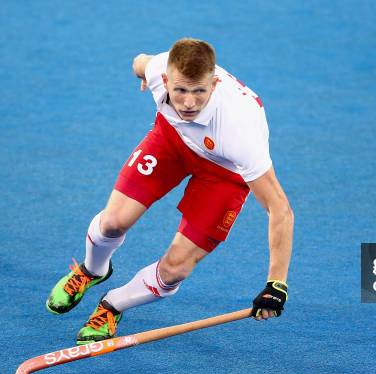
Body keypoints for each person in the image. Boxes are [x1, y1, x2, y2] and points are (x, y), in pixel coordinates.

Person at [46, 38, 294, 345]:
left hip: (224, 173)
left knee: (175, 269)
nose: (189, 102)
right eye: (180, 90)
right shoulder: (157, 70)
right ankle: (92, 270)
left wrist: (276, 283)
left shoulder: (239, 132)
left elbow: (279, 208)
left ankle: (112, 305)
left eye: (199, 91)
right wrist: (140, 74)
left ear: (214, 84)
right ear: (165, 80)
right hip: (172, 140)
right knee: (113, 222)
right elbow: (139, 60)